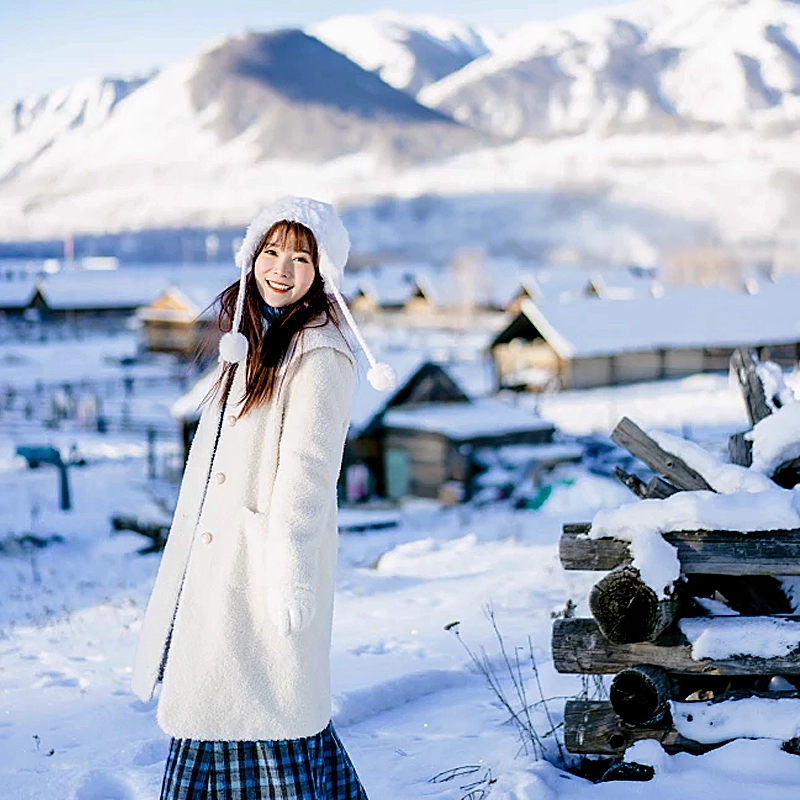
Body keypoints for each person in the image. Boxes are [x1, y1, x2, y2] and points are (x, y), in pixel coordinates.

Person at [131, 197, 396, 799]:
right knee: (228, 711)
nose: (282, 267)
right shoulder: (251, 341)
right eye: (272, 251)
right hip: (224, 567)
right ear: (251, 258)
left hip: (262, 571)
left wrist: (291, 579)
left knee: (266, 715)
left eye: (301, 257)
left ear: (322, 270)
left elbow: (307, 473)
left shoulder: (320, 352)